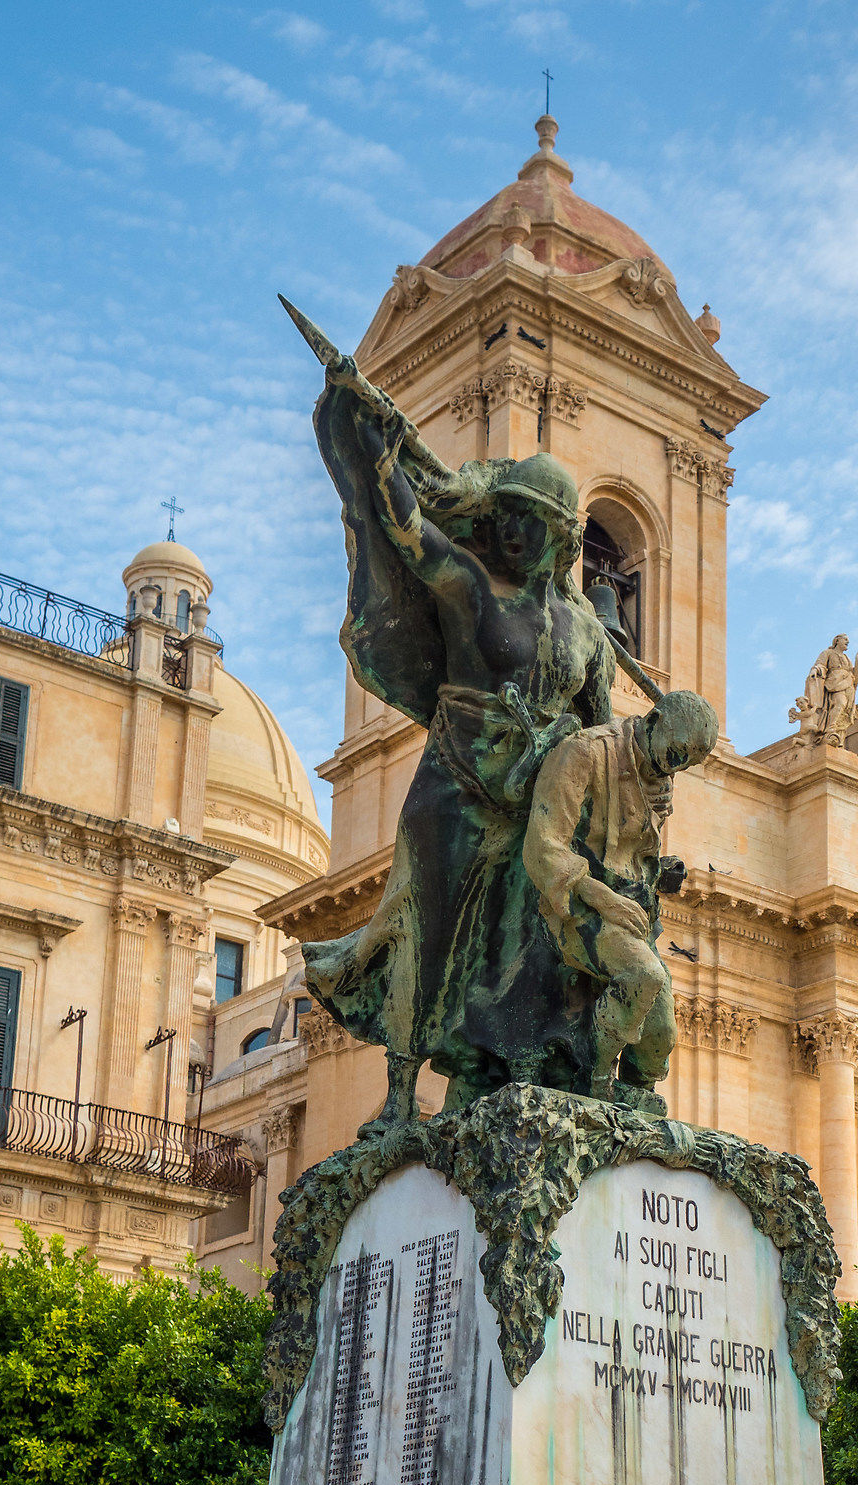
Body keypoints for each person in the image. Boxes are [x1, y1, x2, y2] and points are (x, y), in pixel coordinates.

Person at [282, 301, 618, 1127]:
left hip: (538, 798)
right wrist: (378, 454)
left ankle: (515, 1069)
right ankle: (400, 1094)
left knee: (533, 945)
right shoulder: (470, 586)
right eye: (503, 515)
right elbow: (406, 533)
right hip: (459, 785)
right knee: (427, 937)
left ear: (560, 536)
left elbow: (606, 736)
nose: (509, 531)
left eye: (527, 521)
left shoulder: (585, 629)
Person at [523, 690, 719, 1104]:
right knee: (644, 977)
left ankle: (636, 1099)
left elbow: (631, 851)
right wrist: (604, 898)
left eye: (686, 763)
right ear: (652, 722)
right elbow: (544, 846)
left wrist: (658, 871)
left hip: (633, 912)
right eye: (676, 754)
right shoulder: (584, 753)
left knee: (661, 1034)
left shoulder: (659, 776)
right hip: (577, 904)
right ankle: (594, 1081)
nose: (675, 768)